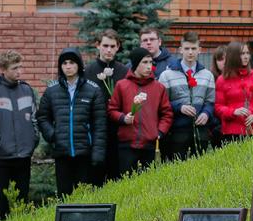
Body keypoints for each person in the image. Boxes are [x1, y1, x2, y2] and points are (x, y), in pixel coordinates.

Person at [36, 48, 106, 197]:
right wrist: (52, 135)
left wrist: (98, 153)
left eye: (72, 62)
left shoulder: (93, 90)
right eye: (64, 63)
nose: (68, 66)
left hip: (85, 154)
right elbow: (42, 117)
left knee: (85, 196)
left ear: (79, 65)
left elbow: (100, 124)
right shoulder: (51, 91)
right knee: (64, 197)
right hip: (62, 153)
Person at [0, 50, 39, 221]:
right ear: (3, 69)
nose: (19, 71)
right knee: (1, 204)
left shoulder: (27, 90)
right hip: (1, 157)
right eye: (15, 68)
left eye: (21, 67)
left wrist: (33, 140)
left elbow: (35, 119)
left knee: (22, 201)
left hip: (24, 155)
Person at [107, 47, 173, 175]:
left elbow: (167, 113)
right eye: (145, 62)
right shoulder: (122, 85)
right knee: (126, 184)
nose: (149, 66)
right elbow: (112, 110)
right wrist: (122, 118)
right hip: (127, 145)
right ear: (136, 64)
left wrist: (159, 132)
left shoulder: (159, 87)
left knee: (147, 185)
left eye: (150, 62)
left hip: (150, 145)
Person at [158, 32, 216, 161]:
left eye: (194, 48)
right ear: (180, 50)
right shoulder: (167, 75)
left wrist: (206, 113)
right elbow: (162, 103)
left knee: (200, 167)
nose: (190, 52)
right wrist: (179, 107)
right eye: (187, 48)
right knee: (178, 167)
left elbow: (210, 101)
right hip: (177, 130)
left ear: (199, 50)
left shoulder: (207, 75)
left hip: (200, 130)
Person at [84, 30, 129, 184]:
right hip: (95, 131)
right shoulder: (88, 71)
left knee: (116, 177)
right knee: (95, 177)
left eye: (112, 46)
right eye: (105, 46)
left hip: (118, 131)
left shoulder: (124, 71)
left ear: (118, 47)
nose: (108, 50)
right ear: (98, 46)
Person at [214, 42, 253, 141]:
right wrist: (233, 112)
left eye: (247, 53)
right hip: (231, 132)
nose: (246, 56)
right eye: (242, 54)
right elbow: (218, 107)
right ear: (233, 56)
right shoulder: (222, 80)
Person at [208, 45, 227, 149]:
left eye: (226, 59)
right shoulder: (210, 78)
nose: (224, 62)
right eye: (220, 59)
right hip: (216, 128)